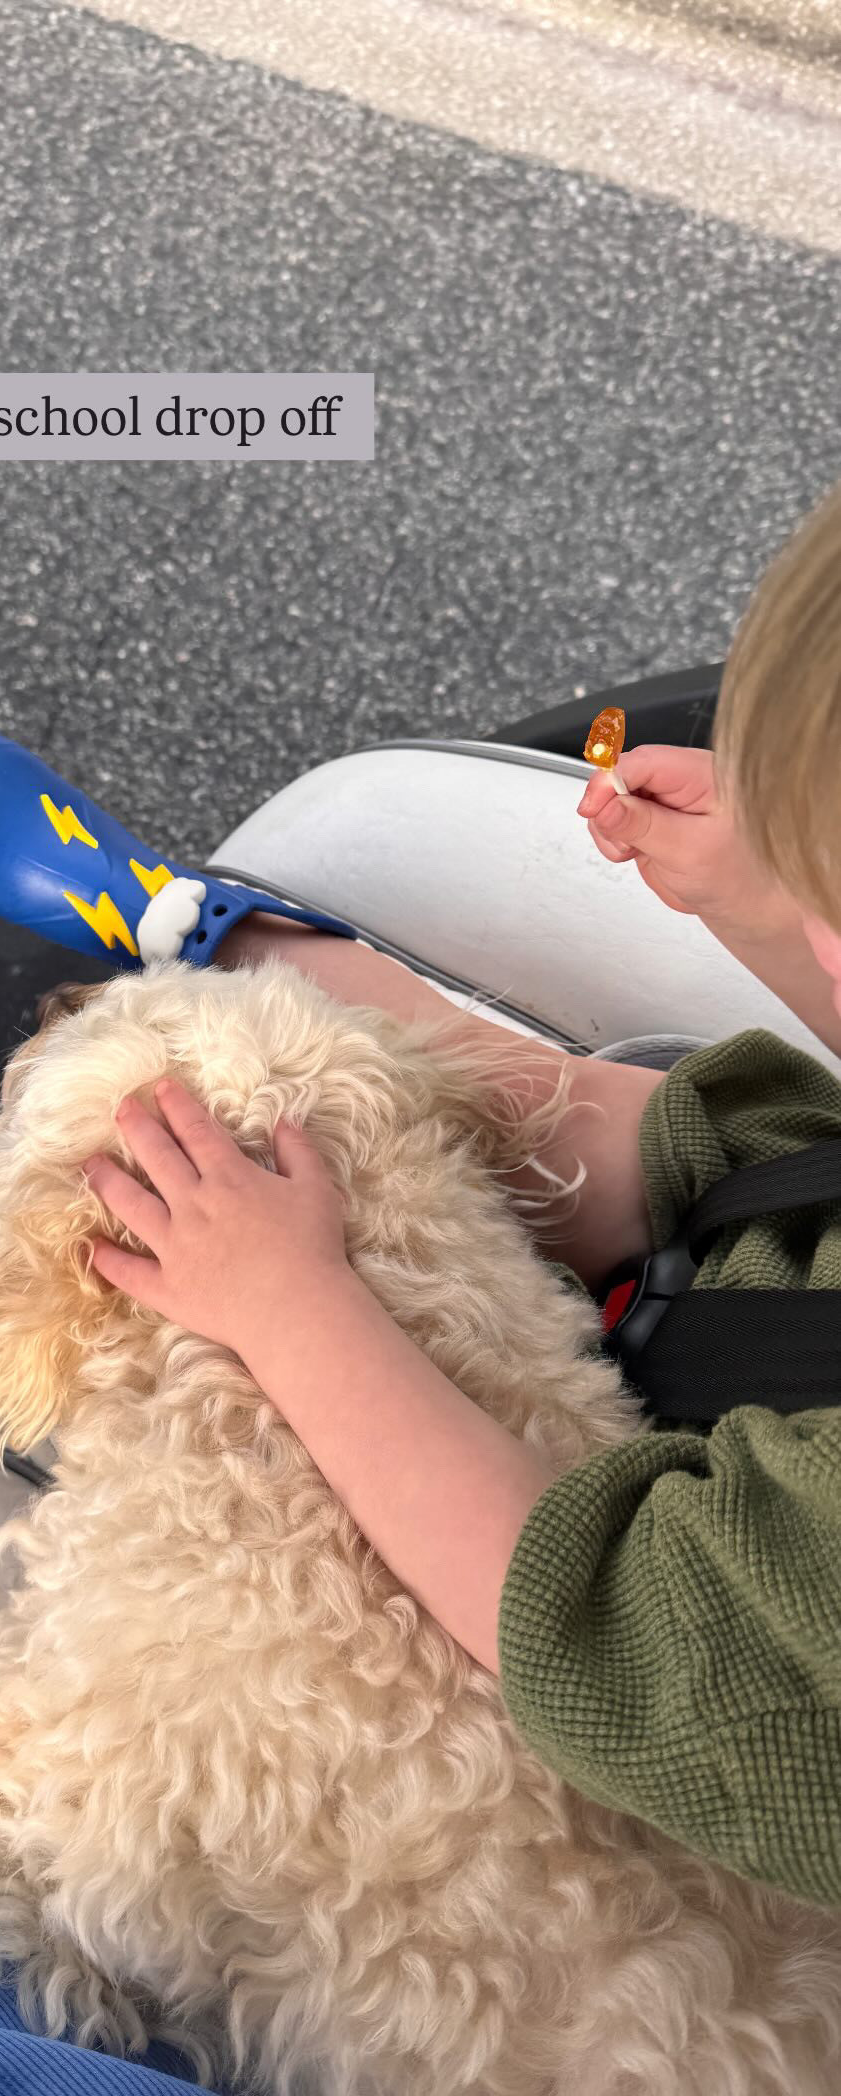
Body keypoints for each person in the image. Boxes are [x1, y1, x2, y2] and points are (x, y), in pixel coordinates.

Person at [84, 478, 841, 1910]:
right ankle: (207, 956)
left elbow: (593, 1623)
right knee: (614, 1114)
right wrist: (764, 894)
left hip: (669, 1641)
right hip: (798, 1261)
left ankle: (25, 1213)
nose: (814, 942)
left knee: (264, 1359)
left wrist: (295, 1308)